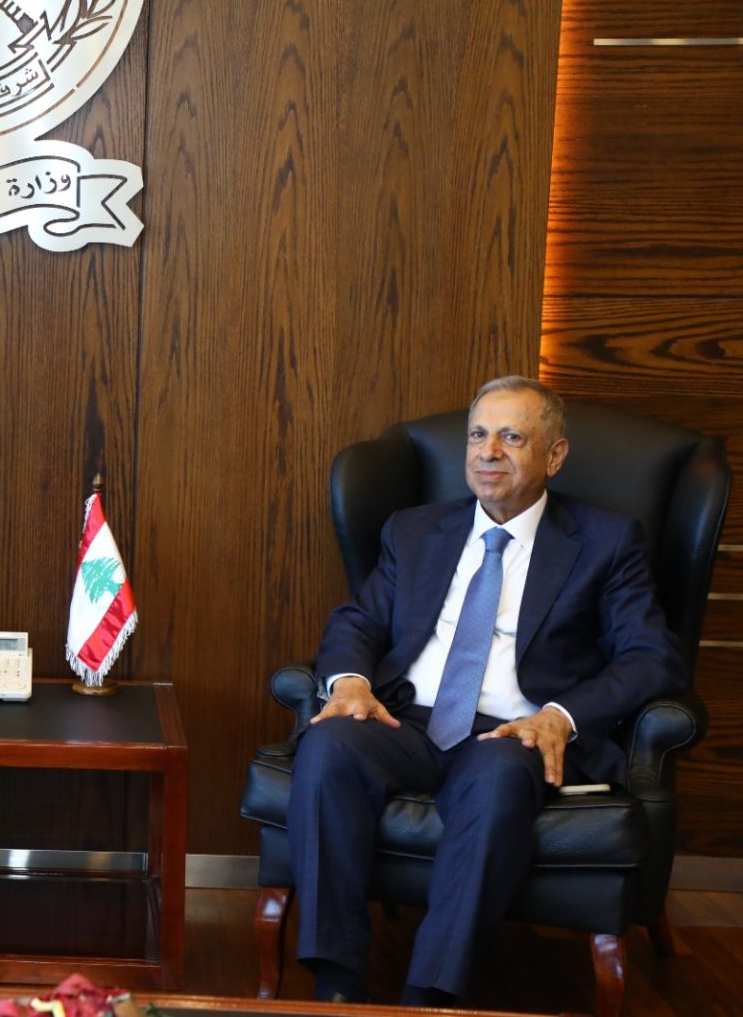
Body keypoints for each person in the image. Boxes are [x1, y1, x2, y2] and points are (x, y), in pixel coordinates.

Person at [288, 375, 684, 1007]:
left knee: (498, 776)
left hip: (511, 732)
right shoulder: (414, 530)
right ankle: (336, 984)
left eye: (511, 437)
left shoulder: (606, 541)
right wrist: (352, 683)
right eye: (478, 435)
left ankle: (429, 996)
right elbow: (358, 621)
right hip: (406, 721)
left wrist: (560, 716)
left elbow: (650, 656)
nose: (488, 452)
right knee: (329, 743)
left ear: (555, 455)